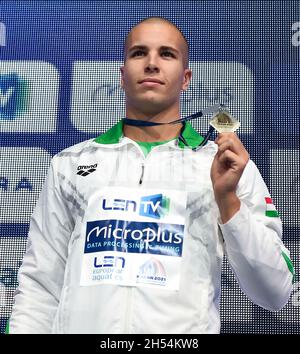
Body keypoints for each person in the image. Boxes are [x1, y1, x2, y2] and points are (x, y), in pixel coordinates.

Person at [8, 16, 294, 334]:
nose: (152, 64)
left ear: (186, 78)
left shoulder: (224, 165)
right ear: (122, 74)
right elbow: (38, 289)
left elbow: (275, 292)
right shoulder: (70, 164)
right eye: (139, 53)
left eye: (167, 54)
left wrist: (228, 202)